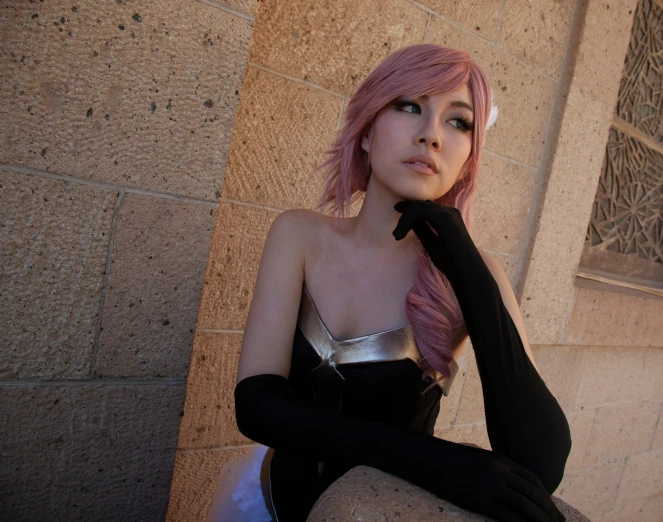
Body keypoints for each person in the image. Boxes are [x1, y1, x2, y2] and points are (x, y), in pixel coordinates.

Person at [227, 43, 572, 522]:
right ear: (367, 132)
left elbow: (541, 463)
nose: (431, 135)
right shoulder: (299, 235)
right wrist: (435, 461)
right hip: (269, 507)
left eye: (459, 121)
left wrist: (468, 271)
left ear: (470, 155)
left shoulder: (475, 275)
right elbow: (256, 405)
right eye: (410, 107)